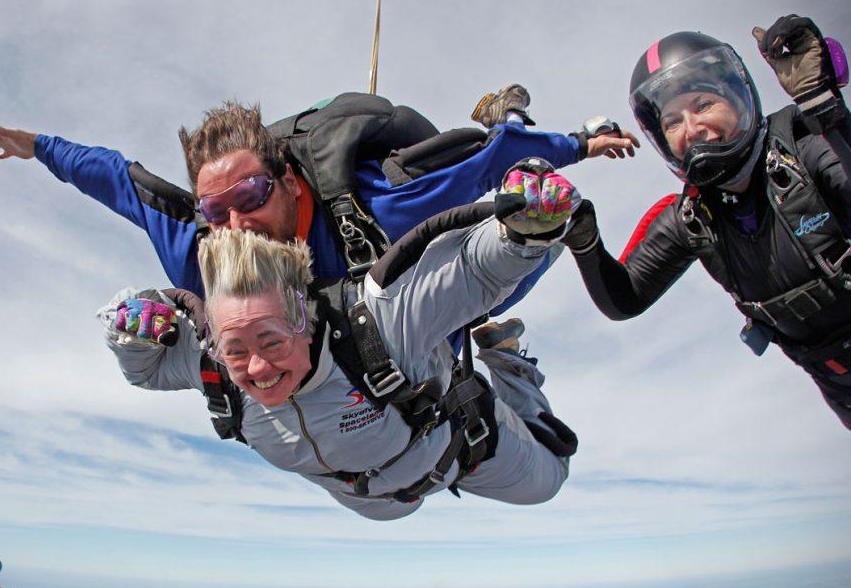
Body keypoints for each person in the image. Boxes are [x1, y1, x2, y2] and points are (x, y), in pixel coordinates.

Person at [97, 166, 582, 519]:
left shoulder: (379, 322)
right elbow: (145, 368)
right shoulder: (212, 361)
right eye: (237, 349)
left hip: (463, 450)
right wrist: (130, 328)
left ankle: (507, 358)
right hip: (370, 499)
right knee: (387, 511)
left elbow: (471, 272)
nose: (258, 369)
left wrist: (519, 231)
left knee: (550, 481)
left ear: (305, 319)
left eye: (270, 340)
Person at [0, 89, 638, 318]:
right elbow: (114, 178)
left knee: (484, 285)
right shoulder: (197, 247)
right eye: (215, 209)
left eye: (250, 196)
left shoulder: (381, 207)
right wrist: (40, 148)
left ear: (289, 182)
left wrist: (578, 144)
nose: (234, 224)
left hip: (416, 191)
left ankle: (507, 102)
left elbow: (490, 161)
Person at [561, 15, 851, 428]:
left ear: (739, 99)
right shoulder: (691, 217)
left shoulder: (803, 145)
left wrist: (826, 110)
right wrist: (583, 237)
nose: (691, 130)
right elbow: (624, 300)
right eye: (672, 121)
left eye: (703, 105)